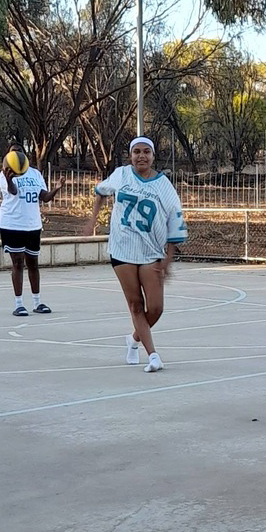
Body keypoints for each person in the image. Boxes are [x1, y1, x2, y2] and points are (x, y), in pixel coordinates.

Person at [89, 136, 187, 372]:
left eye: (146, 152)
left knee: (155, 308)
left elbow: (176, 218)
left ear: (153, 156)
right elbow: (100, 191)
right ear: (130, 155)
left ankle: (134, 339)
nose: (141, 156)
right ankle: (153, 356)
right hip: (122, 248)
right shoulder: (121, 175)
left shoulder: (163, 185)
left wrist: (168, 259)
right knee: (135, 304)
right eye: (136, 152)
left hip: (151, 250)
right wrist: (93, 219)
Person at [0, 148, 64, 316]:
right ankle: (19, 304)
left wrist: (57, 188)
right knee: (18, 263)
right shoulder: (5, 174)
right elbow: (12, 191)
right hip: (12, 224)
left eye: (20, 151)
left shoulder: (35, 174)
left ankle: (37, 302)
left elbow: (45, 197)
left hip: (33, 224)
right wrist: (9, 179)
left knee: (33, 263)